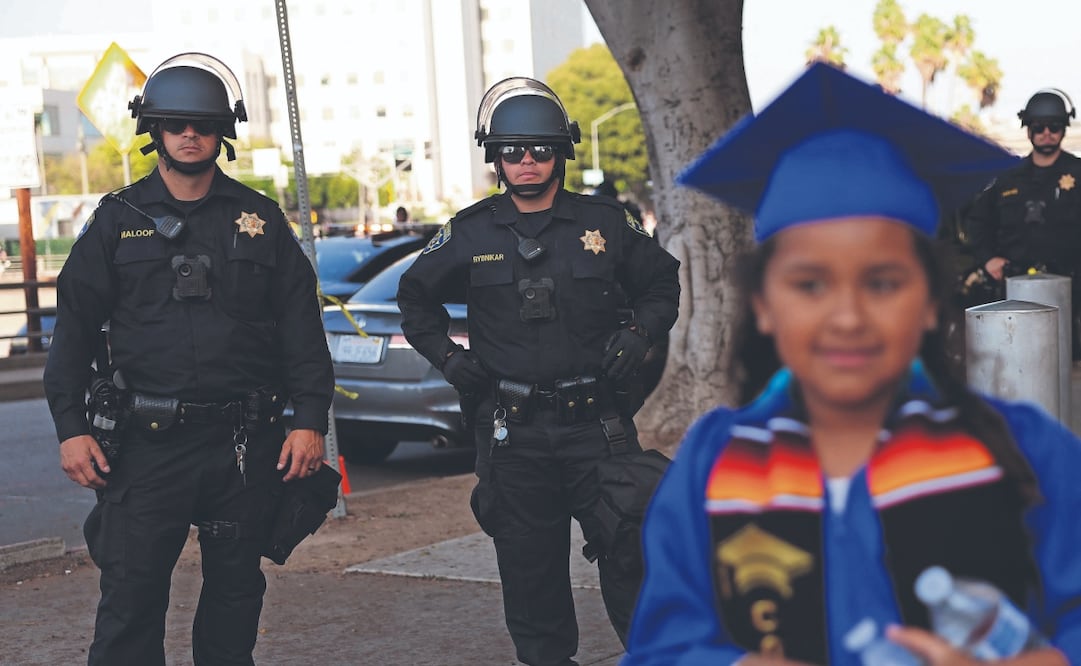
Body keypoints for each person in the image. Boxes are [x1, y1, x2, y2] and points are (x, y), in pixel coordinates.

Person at [623, 63, 1081, 665]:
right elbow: (663, 645)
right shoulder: (711, 467)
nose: (847, 317)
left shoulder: (1027, 454)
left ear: (928, 303)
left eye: (884, 283)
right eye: (809, 284)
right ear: (763, 305)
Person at [42, 53, 334, 665]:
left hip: (242, 443)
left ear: (223, 132)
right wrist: (70, 428)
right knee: (130, 600)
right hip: (148, 447)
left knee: (235, 601)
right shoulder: (116, 222)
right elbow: (71, 328)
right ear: (154, 132)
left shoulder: (259, 222)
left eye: (202, 124)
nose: (189, 135)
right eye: (175, 124)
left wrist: (310, 420)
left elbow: (301, 330)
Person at [397, 77, 681, 666]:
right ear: (495, 157)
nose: (526, 162)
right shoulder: (470, 231)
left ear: (562, 152)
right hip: (513, 432)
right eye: (512, 151)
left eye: (540, 150)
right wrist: (450, 359)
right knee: (530, 571)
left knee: (634, 549)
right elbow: (414, 297)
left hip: (597, 426)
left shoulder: (604, 224)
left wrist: (640, 332)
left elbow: (662, 283)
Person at [964, 90, 1081, 326]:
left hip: (1073, 288)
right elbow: (977, 221)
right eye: (1039, 127)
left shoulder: (1078, 172)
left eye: (1054, 126)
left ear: (1064, 128)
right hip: (1014, 290)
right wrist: (987, 259)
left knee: (1069, 357)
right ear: (1028, 129)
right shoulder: (1006, 177)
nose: (1046, 133)